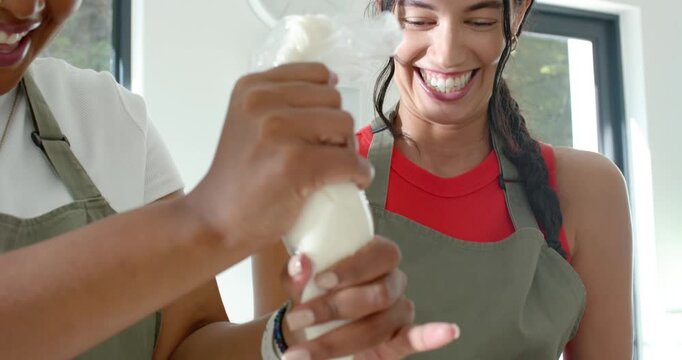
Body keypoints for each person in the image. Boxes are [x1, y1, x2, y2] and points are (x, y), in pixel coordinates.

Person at [0, 0, 460, 359]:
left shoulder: (107, 118)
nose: (26, 9)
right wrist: (207, 219)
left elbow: (186, 347)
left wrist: (293, 335)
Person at [254, 0, 633, 358]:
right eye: (421, 19)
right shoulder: (305, 184)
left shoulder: (589, 193)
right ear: (385, 11)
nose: (447, 53)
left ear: (516, 15)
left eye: (479, 20)